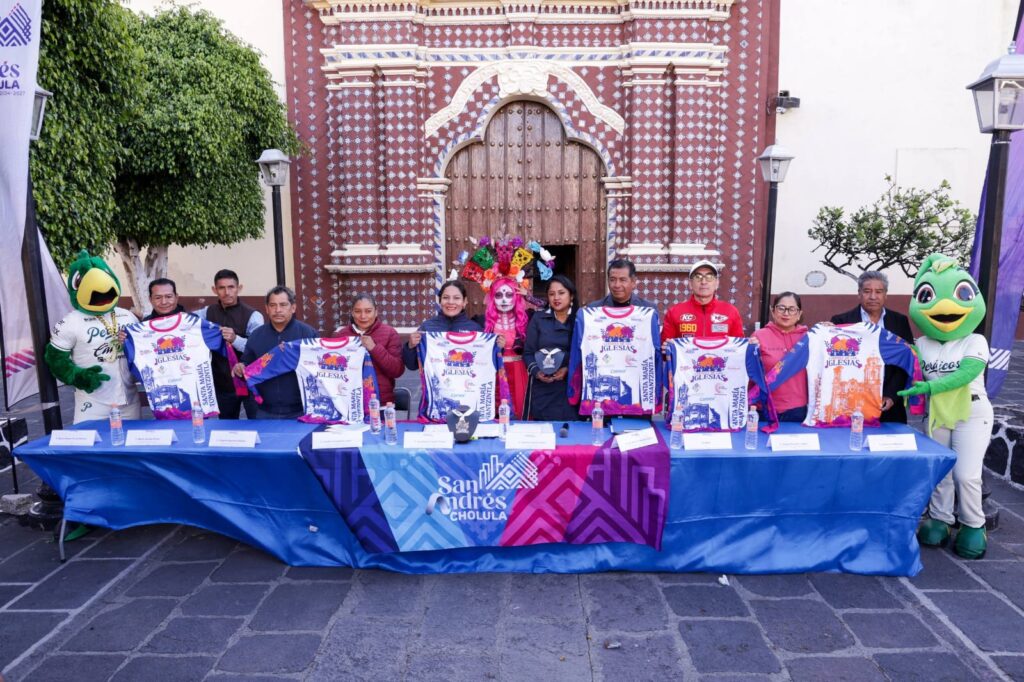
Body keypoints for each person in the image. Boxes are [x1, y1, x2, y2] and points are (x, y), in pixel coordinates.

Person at [830, 271, 914, 423]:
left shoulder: (899, 321)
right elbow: (836, 361)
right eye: (867, 291)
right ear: (859, 294)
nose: (873, 296)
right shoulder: (841, 321)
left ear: (885, 295)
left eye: (879, 292)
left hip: (889, 405)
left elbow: (906, 361)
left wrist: (891, 395)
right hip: (851, 403)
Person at [232, 286, 316, 419]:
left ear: (293, 308)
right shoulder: (256, 335)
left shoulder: (308, 334)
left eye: (283, 305)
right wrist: (240, 367)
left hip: (301, 410)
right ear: (266, 309)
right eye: (273, 305)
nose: (278, 310)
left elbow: (318, 368)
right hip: (264, 410)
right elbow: (246, 363)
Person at [193, 269, 264, 419]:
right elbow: (185, 321)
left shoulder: (254, 316)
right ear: (214, 290)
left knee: (258, 426)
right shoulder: (207, 312)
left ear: (239, 288)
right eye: (221, 288)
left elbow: (258, 349)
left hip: (251, 382)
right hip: (223, 383)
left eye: (231, 287)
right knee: (226, 429)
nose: (227, 292)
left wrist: (235, 339)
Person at [523, 275, 579, 421]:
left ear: (571, 295)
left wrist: (568, 369)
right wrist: (536, 372)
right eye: (551, 294)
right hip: (544, 388)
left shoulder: (581, 319)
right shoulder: (538, 319)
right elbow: (528, 353)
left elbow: (587, 353)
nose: (556, 298)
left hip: (572, 386)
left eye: (561, 293)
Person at [333, 293, 404, 405]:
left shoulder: (390, 333)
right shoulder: (341, 335)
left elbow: (397, 370)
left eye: (368, 311)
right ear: (352, 313)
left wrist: (374, 348)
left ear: (376, 312)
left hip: (380, 402)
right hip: (347, 402)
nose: (363, 316)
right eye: (357, 311)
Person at [402, 281, 487, 370]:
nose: (450, 302)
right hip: (435, 383)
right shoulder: (427, 328)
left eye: (456, 298)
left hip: (467, 383)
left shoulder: (475, 329)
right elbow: (412, 366)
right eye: (446, 297)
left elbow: (484, 363)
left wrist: (499, 347)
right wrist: (410, 346)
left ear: (464, 302)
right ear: (440, 301)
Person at [752, 292, 809, 422]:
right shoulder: (758, 336)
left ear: (799, 314)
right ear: (773, 311)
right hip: (764, 408)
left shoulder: (809, 339)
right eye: (781, 308)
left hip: (797, 409)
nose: (786, 313)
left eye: (792, 309)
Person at [661, 260, 743, 342]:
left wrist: (751, 344)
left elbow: (740, 346)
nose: (704, 282)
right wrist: (666, 348)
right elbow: (664, 347)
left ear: (717, 283)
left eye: (709, 277)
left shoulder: (731, 311)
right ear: (690, 284)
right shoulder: (674, 312)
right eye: (698, 277)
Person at [483, 277, 529, 418]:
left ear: (517, 297)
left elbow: (547, 307)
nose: (504, 300)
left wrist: (528, 296)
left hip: (519, 370)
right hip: (495, 371)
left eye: (509, 295)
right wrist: (495, 348)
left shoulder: (527, 319)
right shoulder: (481, 321)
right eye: (498, 295)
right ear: (491, 298)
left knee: (520, 410)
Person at [586, 259, 657, 309]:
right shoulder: (595, 309)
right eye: (612, 280)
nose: (617, 285)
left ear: (633, 282)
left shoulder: (647, 309)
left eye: (623, 280)